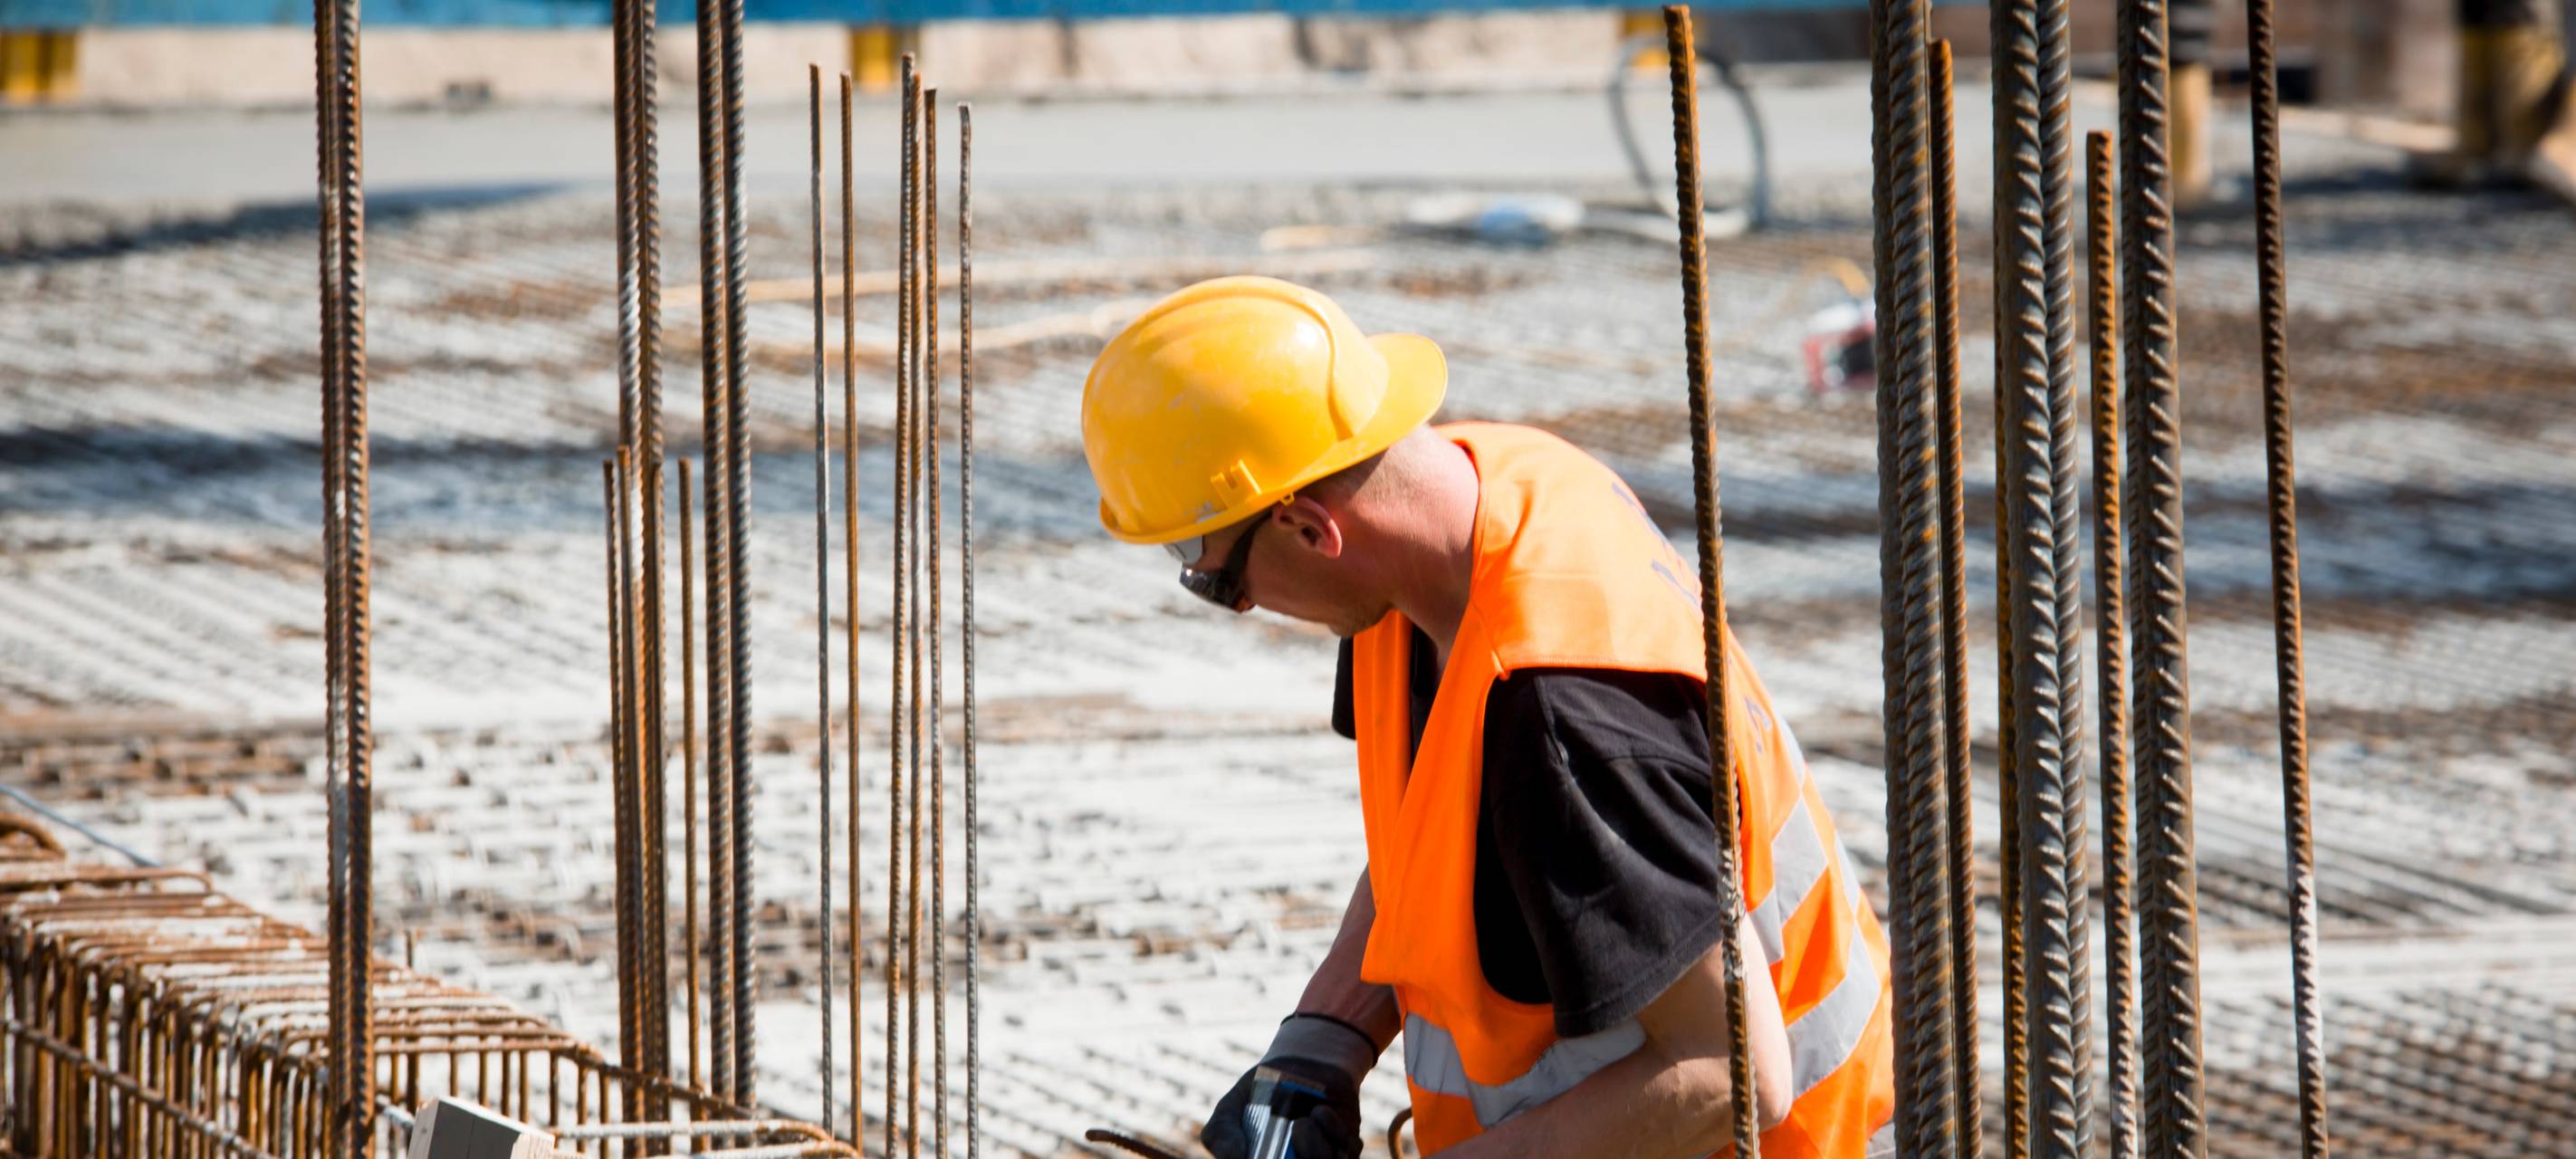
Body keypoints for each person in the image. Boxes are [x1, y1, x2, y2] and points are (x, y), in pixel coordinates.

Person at [1078, 276, 1895, 1157]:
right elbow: (1429, 847)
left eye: (1216, 577)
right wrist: (1324, 1039)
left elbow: (1730, 1071)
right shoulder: (1449, 517)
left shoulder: (1562, 717)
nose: (1234, 604)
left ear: (1311, 528)